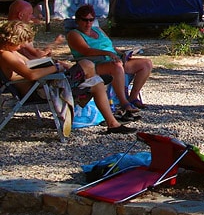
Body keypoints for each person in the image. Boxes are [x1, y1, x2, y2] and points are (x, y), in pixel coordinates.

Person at [0, 20, 134, 134]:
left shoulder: (10, 51)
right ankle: (87, 82)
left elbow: (30, 66)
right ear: (12, 39)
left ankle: (113, 125)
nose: (22, 46)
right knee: (87, 65)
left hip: (44, 84)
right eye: (20, 42)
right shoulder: (5, 55)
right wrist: (55, 68)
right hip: (39, 89)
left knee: (97, 84)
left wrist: (51, 64)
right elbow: (30, 74)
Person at [66, 4, 153, 118]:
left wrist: (122, 53)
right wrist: (107, 54)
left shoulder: (98, 30)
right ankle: (124, 102)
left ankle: (133, 97)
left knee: (146, 64)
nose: (88, 23)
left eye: (91, 20)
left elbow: (110, 46)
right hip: (93, 64)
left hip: (112, 59)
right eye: (85, 20)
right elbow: (86, 51)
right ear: (78, 20)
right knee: (116, 67)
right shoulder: (74, 34)